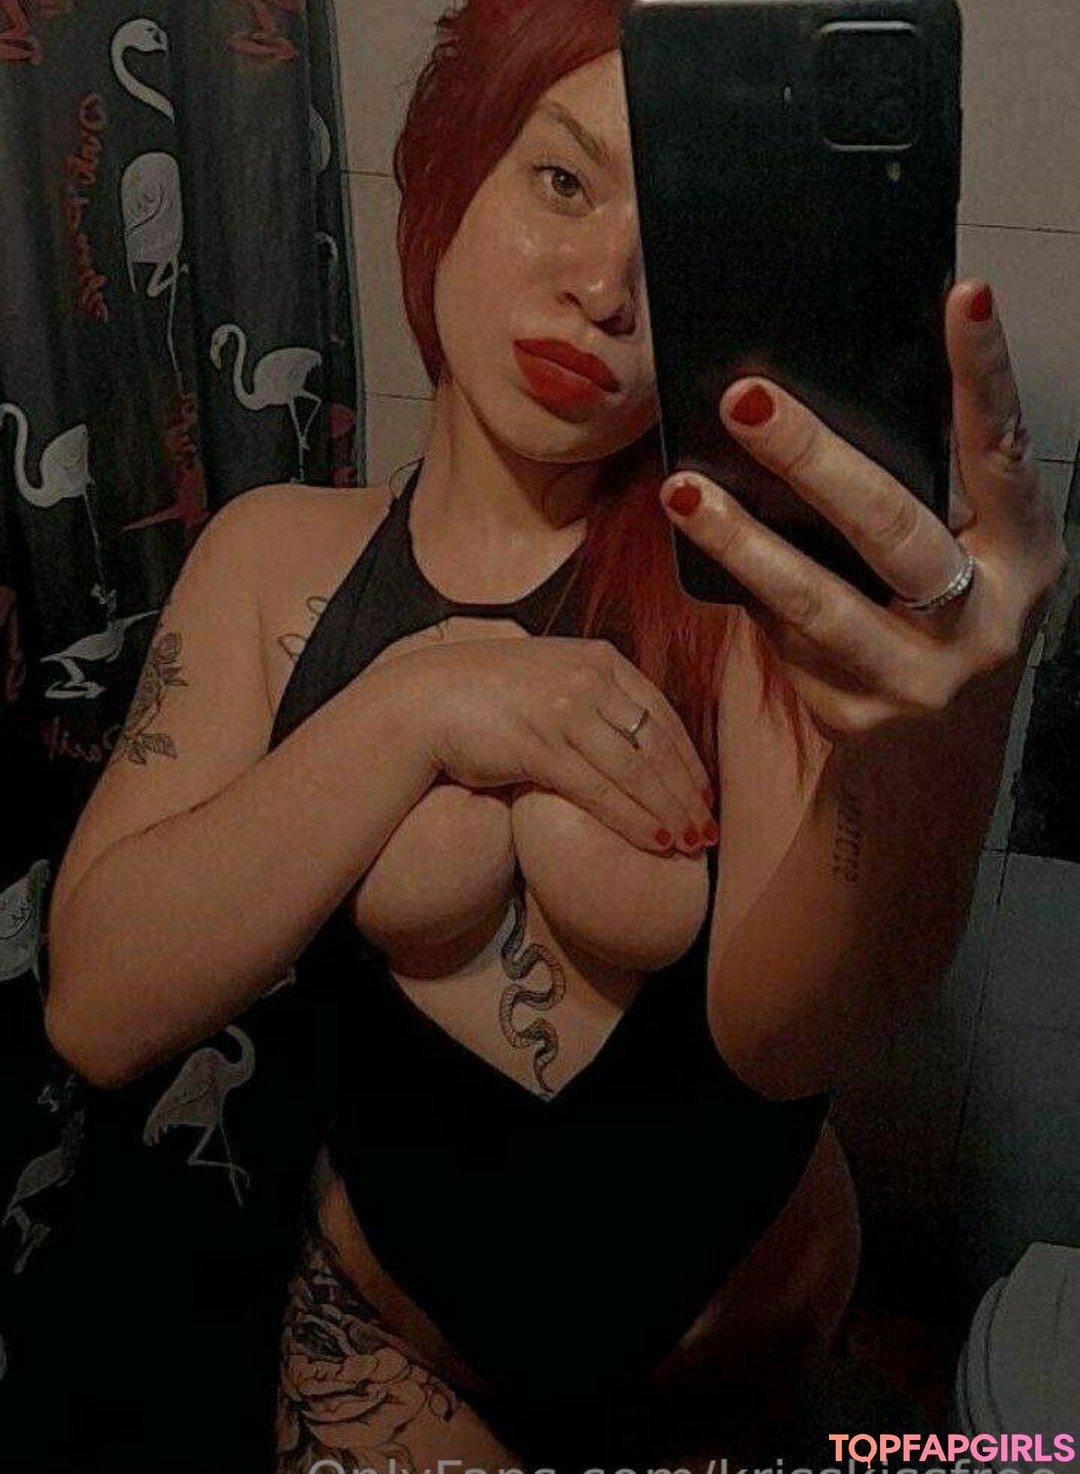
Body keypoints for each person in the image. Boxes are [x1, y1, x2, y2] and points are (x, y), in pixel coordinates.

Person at [45, 0, 1065, 1468]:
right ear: (447, 177)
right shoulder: (279, 559)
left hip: (745, 1370)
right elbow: (97, 1007)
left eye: (678, 245)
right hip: (398, 1359)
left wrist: (941, 749)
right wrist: (420, 702)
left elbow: (788, 1040)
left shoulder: (744, 580)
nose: (605, 291)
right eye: (563, 180)